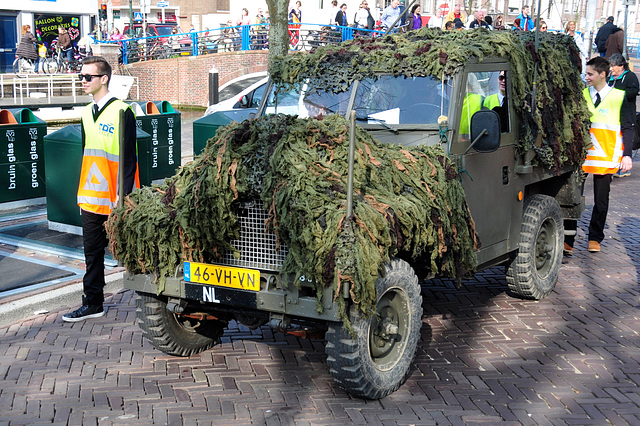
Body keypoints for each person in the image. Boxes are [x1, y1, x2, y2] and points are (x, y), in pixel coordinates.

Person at [62, 56, 139, 322]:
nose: (82, 81)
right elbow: (87, 153)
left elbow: (129, 157)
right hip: (91, 196)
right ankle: (93, 302)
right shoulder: (85, 113)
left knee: (132, 249)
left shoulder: (122, 111)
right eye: (81, 76)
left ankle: (155, 299)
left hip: (117, 197)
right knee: (92, 254)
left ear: (104, 78)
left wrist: (124, 196)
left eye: (88, 77)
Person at [564, 56, 633, 256]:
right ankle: (569, 239)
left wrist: (627, 155)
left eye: (590, 74)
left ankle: (595, 237)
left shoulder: (618, 97)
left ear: (602, 74)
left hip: (606, 156)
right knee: (573, 196)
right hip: (582, 156)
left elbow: (627, 127)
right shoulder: (582, 95)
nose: (586, 77)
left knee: (601, 199)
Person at [608, 53, 639, 177]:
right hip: (612, 114)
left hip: (626, 113)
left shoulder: (630, 77)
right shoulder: (610, 77)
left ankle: (624, 167)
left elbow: (634, 91)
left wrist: (617, 95)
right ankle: (614, 163)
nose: (611, 69)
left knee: (625, 138)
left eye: (613, 66)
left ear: (621, 66)